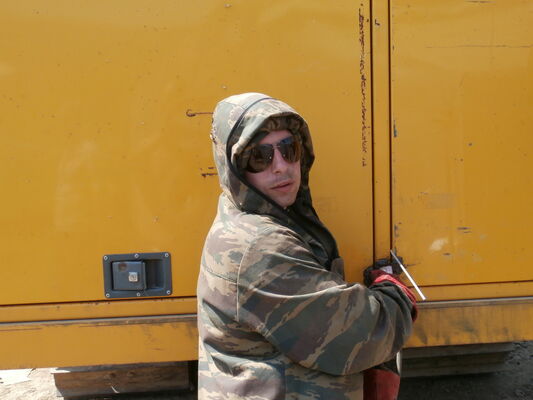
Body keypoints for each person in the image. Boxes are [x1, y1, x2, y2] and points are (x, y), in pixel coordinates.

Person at [197, 92, 417, 399]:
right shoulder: (262, 247)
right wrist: (395, 294)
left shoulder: (244, 215)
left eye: (290, 149)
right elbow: (359, 336)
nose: (280, 166)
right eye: (260, 157)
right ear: (235, 169)